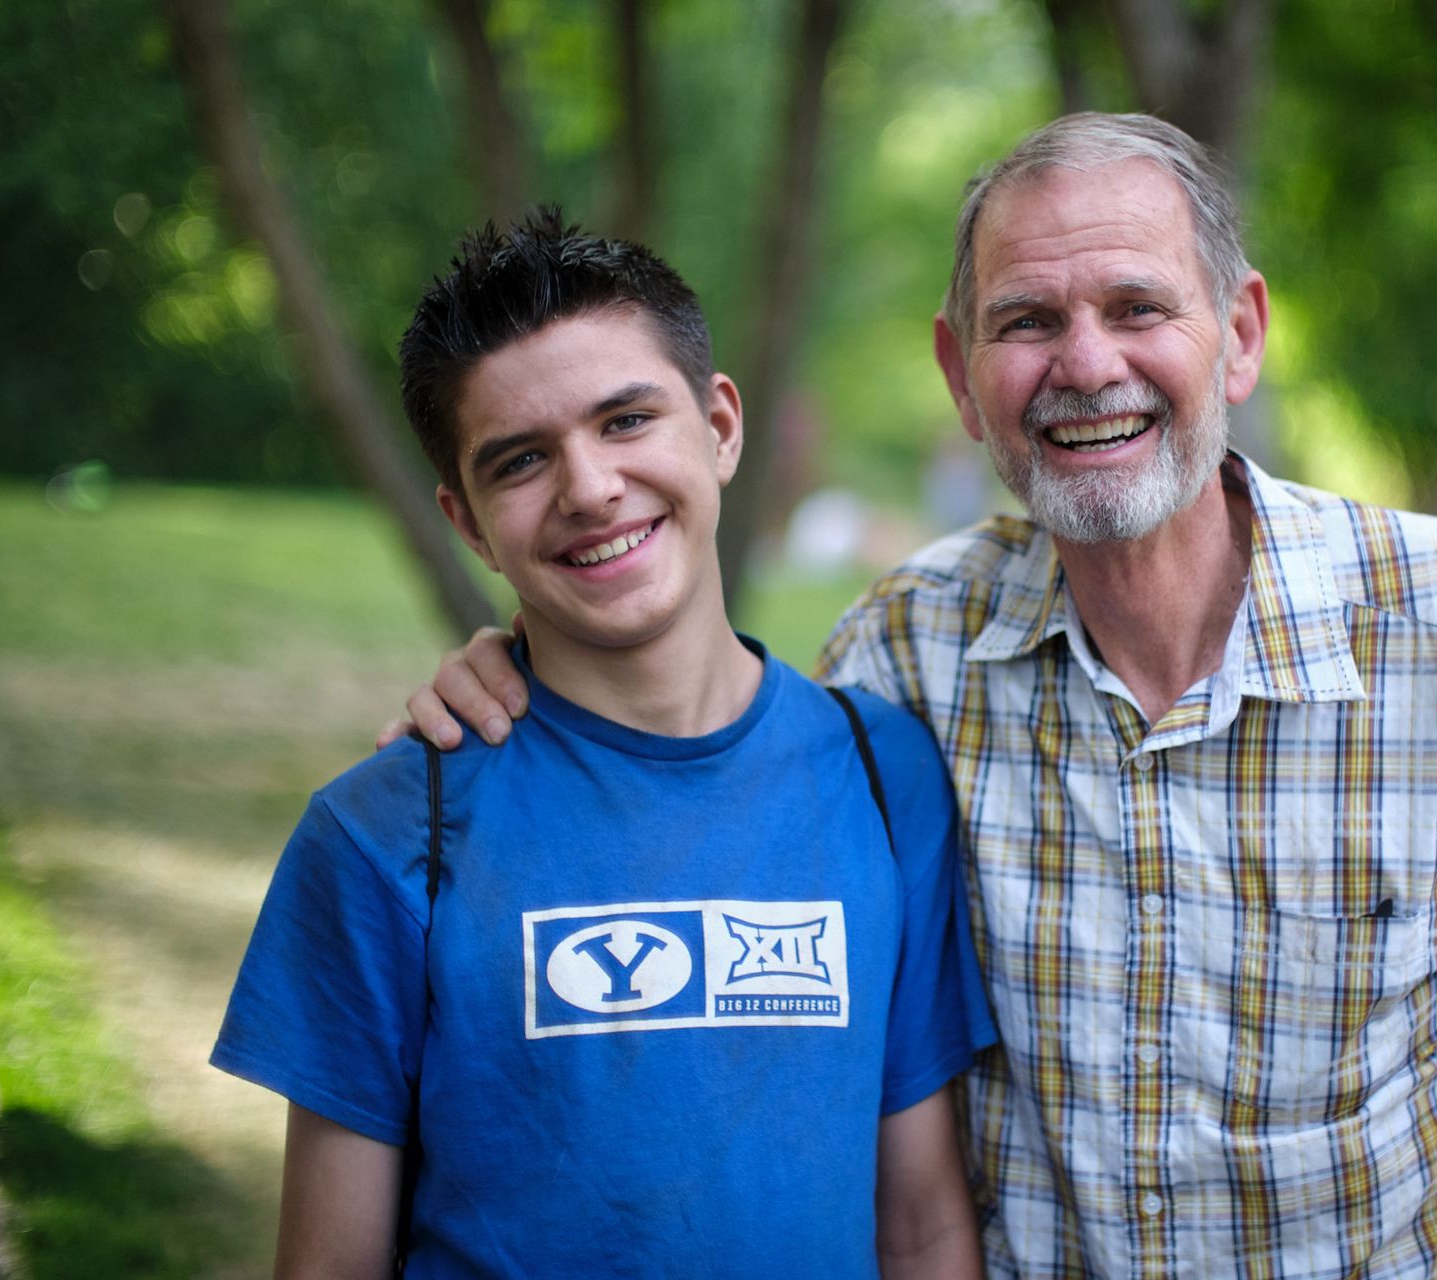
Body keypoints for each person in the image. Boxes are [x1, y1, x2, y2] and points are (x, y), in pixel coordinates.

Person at [397, 116, 1437, 1278]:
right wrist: (532, 660)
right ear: (962, 375)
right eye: (1026, 322)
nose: (1085, 364)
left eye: (1137, 307)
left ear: (1236, 336)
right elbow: (703, 761)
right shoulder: (899, 659)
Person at [214, 210, 995, 1277]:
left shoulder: (883, 773)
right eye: (522, 459)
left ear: (719, 426)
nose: (588, 487)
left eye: (625, 420)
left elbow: (921, 1223)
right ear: (469, 522)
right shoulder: (382, 834)